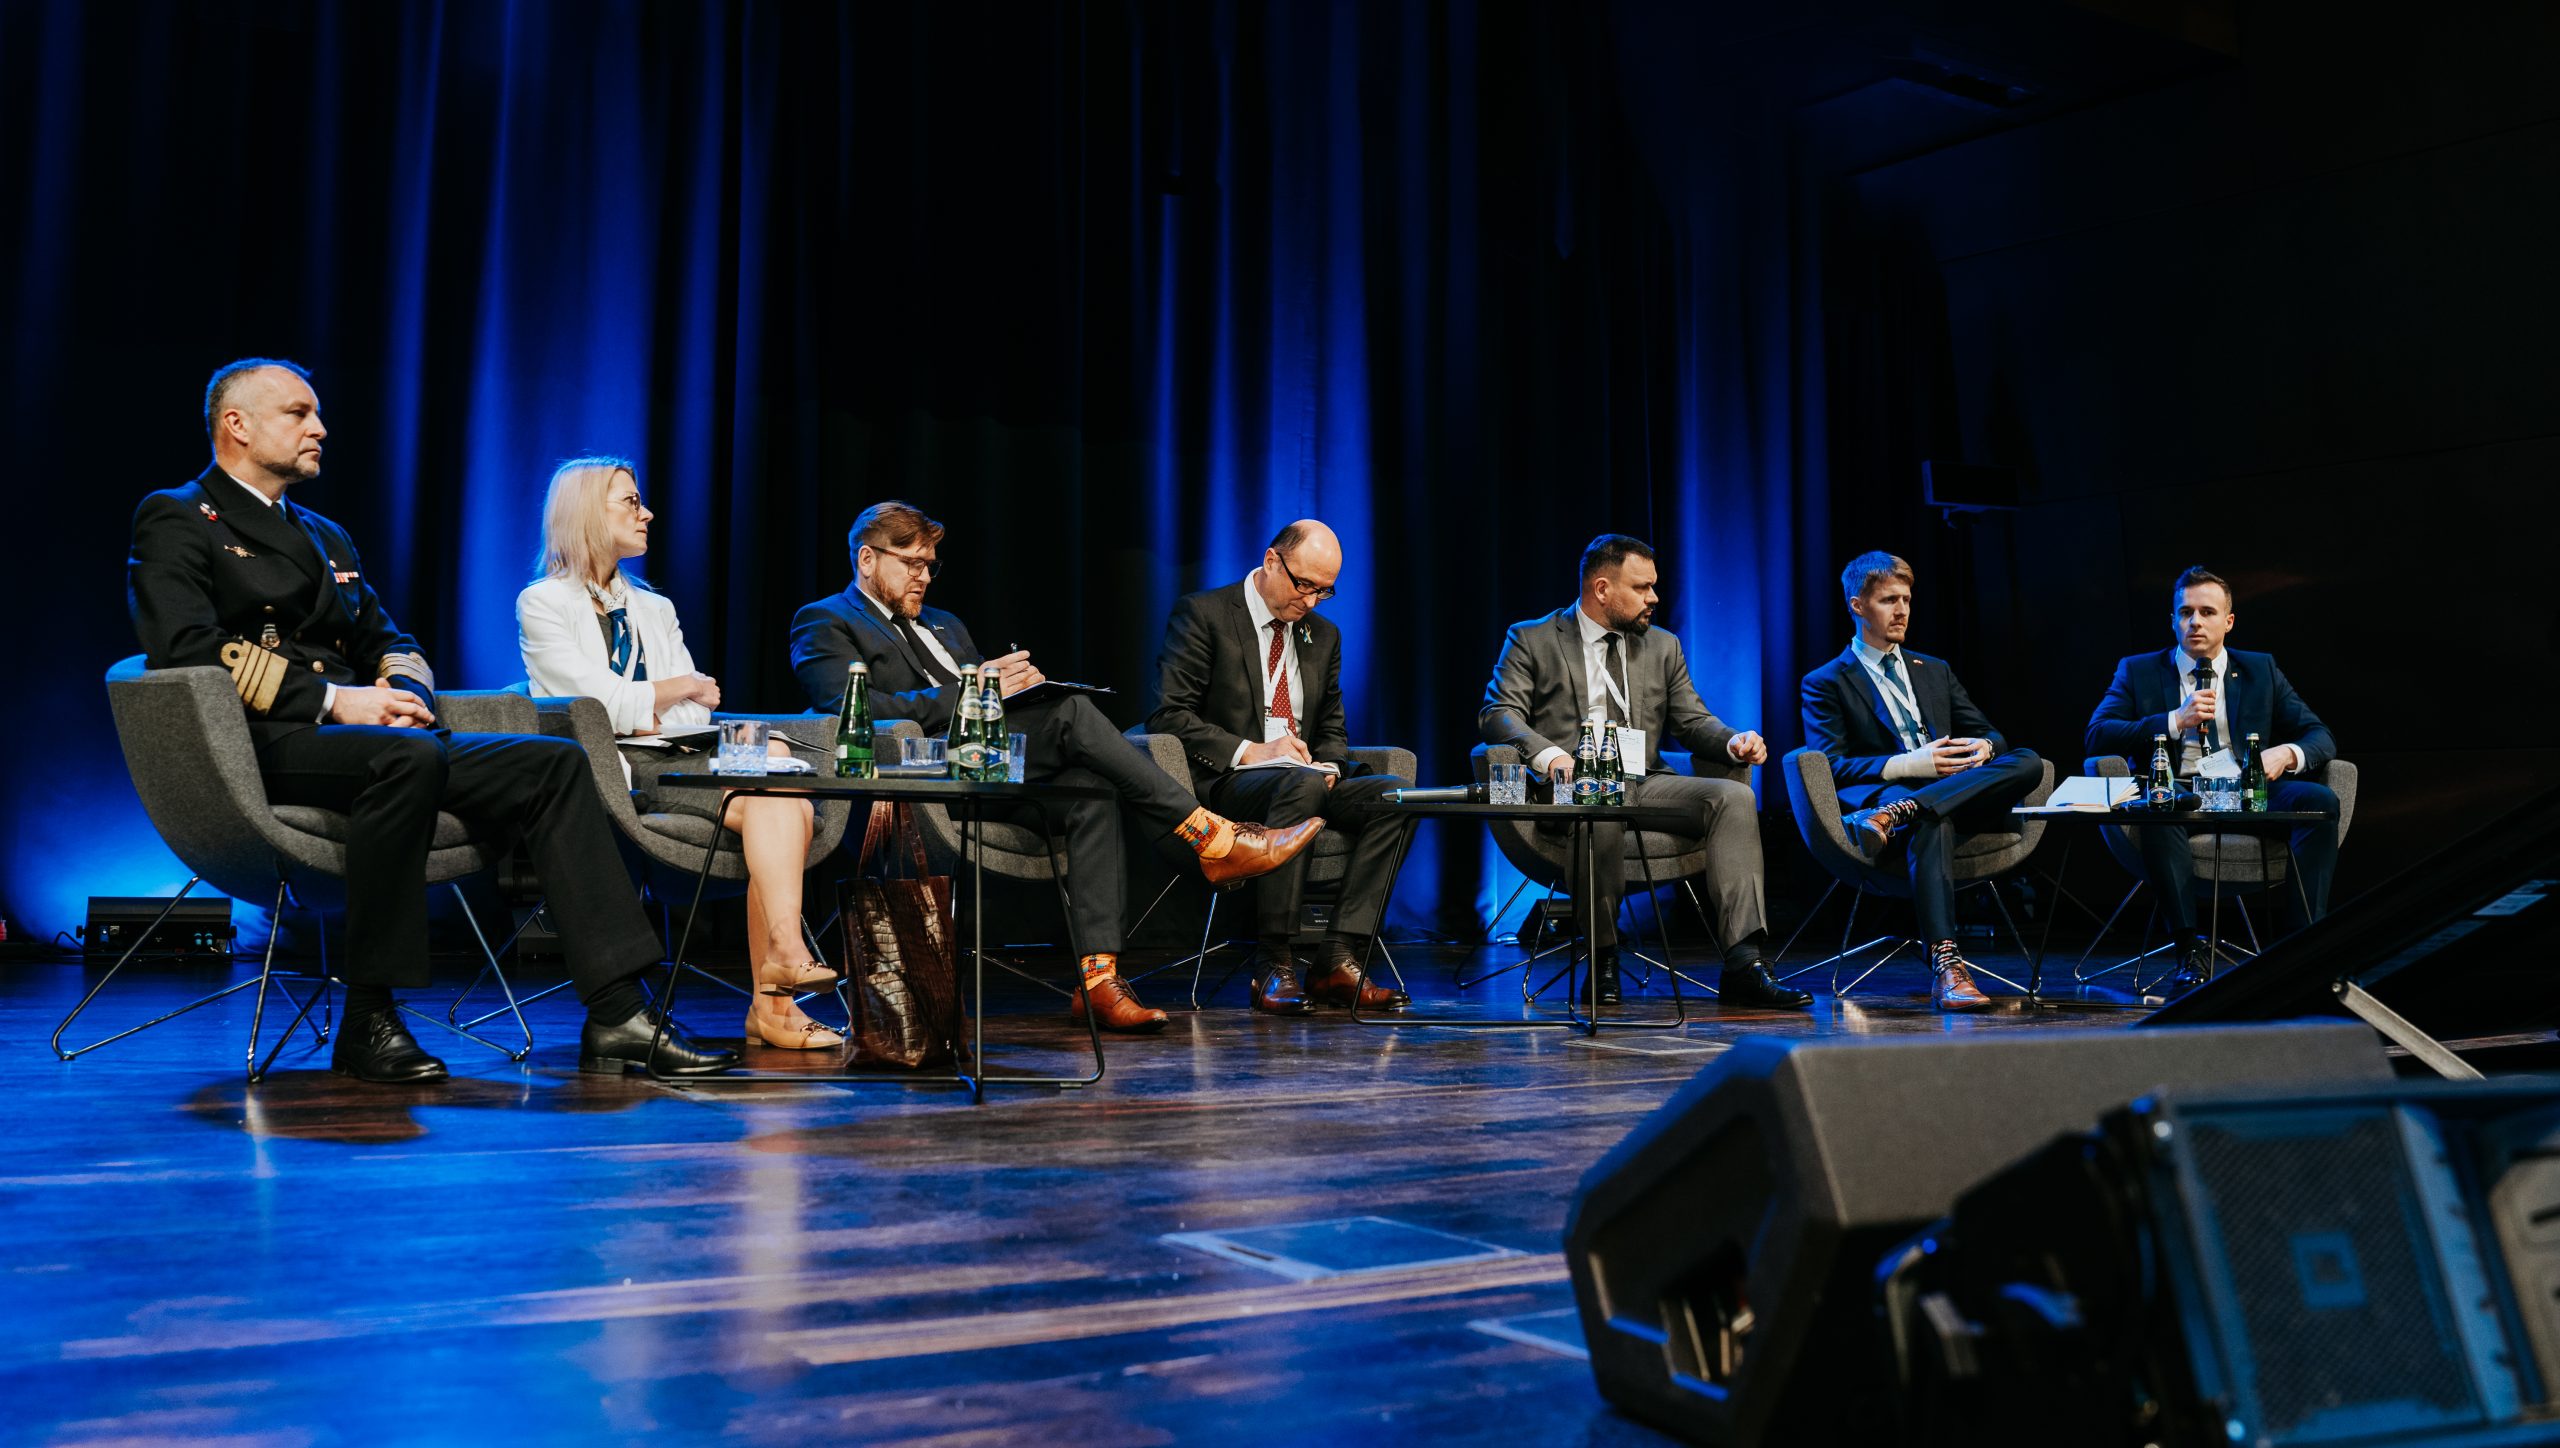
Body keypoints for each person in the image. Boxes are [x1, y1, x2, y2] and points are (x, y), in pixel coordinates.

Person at [129, 359, 736, 1082]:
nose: (319, 428)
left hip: (362, 740)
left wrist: (397, 683)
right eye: (298, 413)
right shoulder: (176, 514)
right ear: (238, 424)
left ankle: (618, 1013)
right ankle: (369, 1017)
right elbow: (187, 649)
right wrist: (336, 701)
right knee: (404, 759)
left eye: (316, 413)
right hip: (262, 745)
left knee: (552, 763)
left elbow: (392, 637)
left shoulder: (325, 536)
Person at [788, 501, 1322, 1032]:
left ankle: (1099, 981)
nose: (924, 577)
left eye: (930, 565)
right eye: (911, 564)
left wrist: (1018, 692)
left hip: (993, 765)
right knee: (1071, 715)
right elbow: (848, 711)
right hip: (920, 774)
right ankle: (1210, 835)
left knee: (1091, 787)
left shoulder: (946, 626)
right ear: (866, 560)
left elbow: (983, 712)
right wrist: (977, 687)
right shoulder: (825, 620)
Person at [519, 457, 842, 1050]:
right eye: (630, 502)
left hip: (678, 758)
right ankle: (775, 1002)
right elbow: (598, 707)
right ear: (590, 513)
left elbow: (699, 711)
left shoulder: (655, 608)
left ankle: (783, 969)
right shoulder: (541, 603)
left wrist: (664, 699)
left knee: (778, 787)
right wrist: (675, 689)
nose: (647, 513)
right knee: (783, 799)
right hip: (616, 774)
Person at [1480, 534, 1807, 1010]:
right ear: (1602, 589)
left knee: (1733, 798)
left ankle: (1744, 962)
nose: (1654, 598)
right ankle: (1604, 955)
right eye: (1643, 587)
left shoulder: (1662, 646)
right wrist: (1549, 756)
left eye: (1654, 587)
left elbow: (1692, 722)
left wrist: (1733, 740)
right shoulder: (1533, 638)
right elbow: (1497, 712)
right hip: (1575, 785)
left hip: (1645, 781)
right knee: (1600, 802)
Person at [1146, 521, 1417, 1015]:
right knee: (1296, 783)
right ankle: (1274, 962)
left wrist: (1331, 765)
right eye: (1304, 585)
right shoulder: (1204, 614)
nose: (1312, 601)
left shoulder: (1324, 635)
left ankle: (1339, 955)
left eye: (1325, 590)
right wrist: (1251, 750)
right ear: (1272, 561)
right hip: (1228, 783)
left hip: (1302, 777)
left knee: (1396, 796)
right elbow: (1169, 716)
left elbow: (1332, 725)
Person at [1800, 552, 2044, 1011]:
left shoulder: (1933, 669)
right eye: (1889, 600)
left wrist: (1983, 750)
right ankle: (1948, 966)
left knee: (2028, 760)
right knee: (1935, 822)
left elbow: (1991, 733)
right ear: (1857, 606)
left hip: (1944, 792)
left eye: (1907, 599)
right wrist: (1912, 764)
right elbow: (1831, 764)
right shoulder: (1826, 681)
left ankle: (1901, 814)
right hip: (1894, 788)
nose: (1902, 611)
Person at [2085, 565, 2339, 992]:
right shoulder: (2139, 670)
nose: (2195, 622)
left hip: (2244, 790)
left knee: (2319, 802)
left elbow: (2320, 735)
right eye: (2185, 613)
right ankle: (2189, 947)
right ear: (2172, 620)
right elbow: (2097, 734)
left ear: (2228, 621)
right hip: (2177, 789)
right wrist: (2172, 720)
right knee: (2160, 808)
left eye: (2206, 612)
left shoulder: (2260, 669)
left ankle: (2304, 943)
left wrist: (2287, 753)